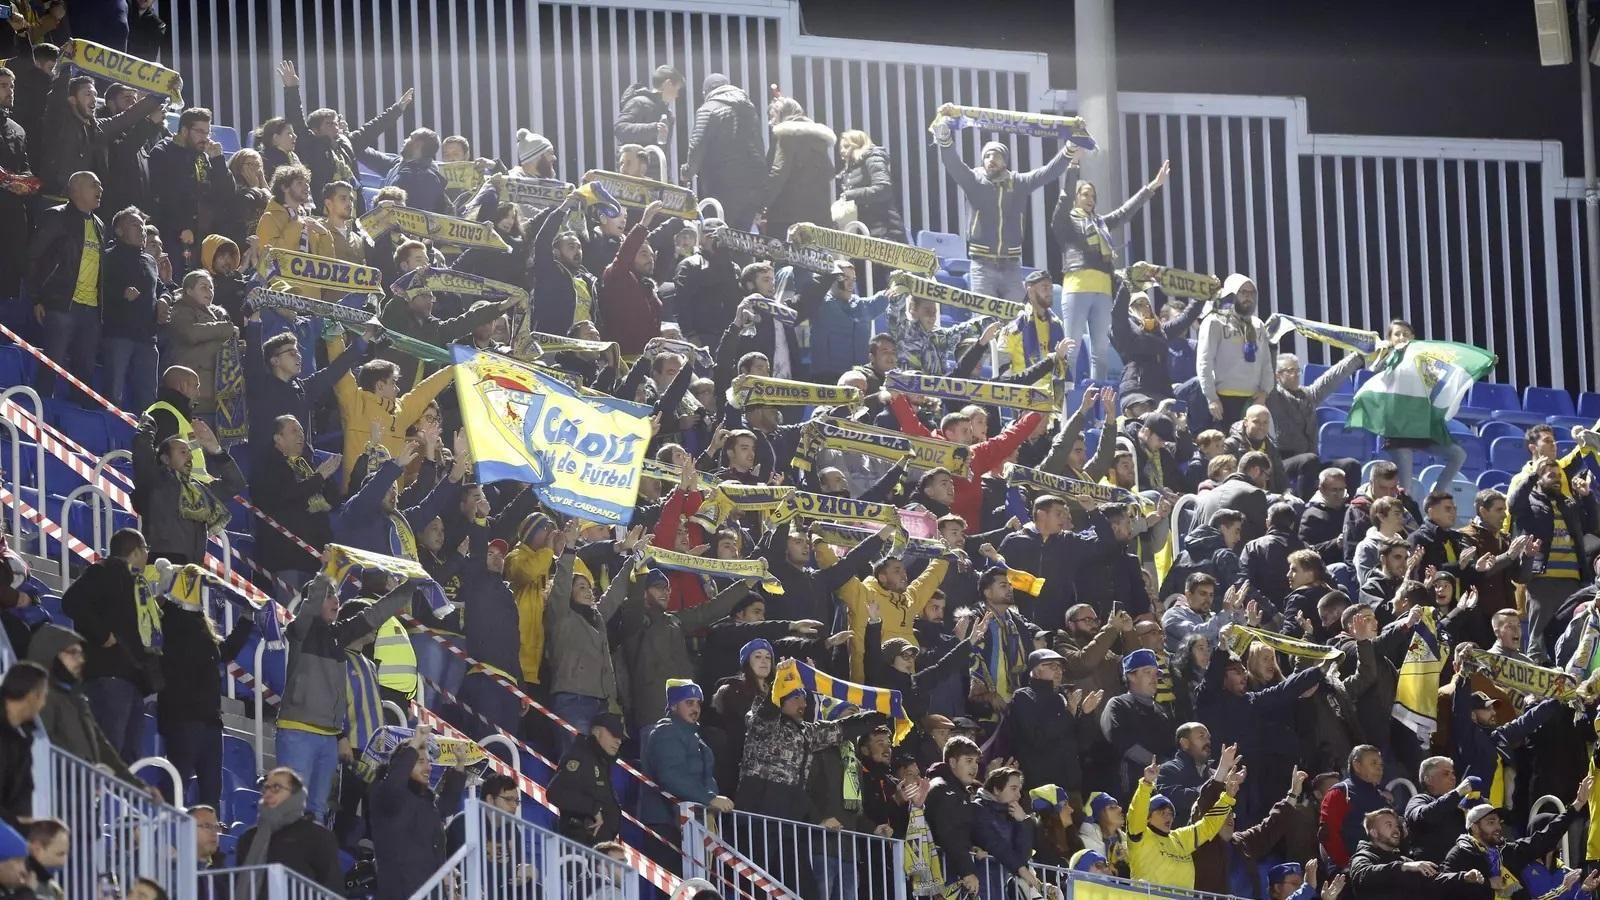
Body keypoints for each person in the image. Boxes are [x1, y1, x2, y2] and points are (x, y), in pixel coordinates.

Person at [275, 576, 417, 824]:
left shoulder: (338, 636)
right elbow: (310, 607)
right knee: (290, 810)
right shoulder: (301, 632)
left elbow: (376, 613)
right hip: (298, 732)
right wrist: (327, 572)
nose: (336, 600)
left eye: (336, 595)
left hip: (328, 738)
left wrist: (412, 584)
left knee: (318, 812)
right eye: (328, 595)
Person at [929, 112, 1073, 300]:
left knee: (1016, 315)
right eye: (987, 156)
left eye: (996, 155)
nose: (991, 159)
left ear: (1005, 161)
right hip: (981, 265)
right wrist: (944, 138)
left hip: (1012, 266)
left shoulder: (1019, 182)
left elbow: (1048, 172)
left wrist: (1069, 149)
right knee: (984, 315)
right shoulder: (974, 181)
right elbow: (953, 164)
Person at [1054, 154, 1170, 379]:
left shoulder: (1101, 224)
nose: (1090, 199)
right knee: (1072, 348)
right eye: (1085, 194)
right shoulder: (1065, 222)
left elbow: (1125, 212)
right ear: (1075, 198)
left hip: (1103, 292)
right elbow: (1064, 198)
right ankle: (1065, 393)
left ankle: (1098, 396)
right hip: (1077, 288)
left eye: (1093, 196)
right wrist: (1073, 166)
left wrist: (1152, 186)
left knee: (1100, 352)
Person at [57, 529, 161, 765]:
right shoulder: (102, 571)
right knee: (108, 752)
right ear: (135, 551)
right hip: (109, 676)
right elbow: (71, 601)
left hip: (133, 681)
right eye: (145, 549)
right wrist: (102, 635)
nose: (148, 555)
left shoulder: (137, 583)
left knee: (128, 758)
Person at [277, 59, 413, 211]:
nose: (335, 127)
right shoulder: (311, 144)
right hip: (324, 212)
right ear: (316, 130)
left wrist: (398, 109)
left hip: (353, 212)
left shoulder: (347, 143)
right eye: (329, 124)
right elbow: (296, 118)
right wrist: (292, 88)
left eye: (336, 123)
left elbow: (373, 128)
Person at [25, 625, 145, 789]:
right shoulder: (38, 699)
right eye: (72, 653)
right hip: (52, 795)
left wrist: (138, 787)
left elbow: (102, 749)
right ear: (50, 653)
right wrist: (87, 776)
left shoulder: (78, 700)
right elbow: (44, 749)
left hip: (80, 795)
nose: (80, 660)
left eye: (81, 654)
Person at [38, 43, 168, 195]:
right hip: (56, 200)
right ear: (72, 100)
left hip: (88, 203)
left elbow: (128, 117)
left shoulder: (99, 127)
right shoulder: (60, 122)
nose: (94, 99)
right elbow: (58, 97)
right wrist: (66, 63)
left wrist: (160, 94)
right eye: (88, 94)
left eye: (95, 94)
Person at [27, 171, 106, 400]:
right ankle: (40, 408)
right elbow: (34, 257)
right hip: (62, 303)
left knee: (85, 368)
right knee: (52, 363)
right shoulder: (56, 216)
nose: (100, 189)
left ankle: (78, 416)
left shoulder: (100, 225)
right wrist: (37, 298)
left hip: (91, 309)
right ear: (75, 190)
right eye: (94, 185)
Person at [1511, 457, 1598, 663]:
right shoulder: (1530, 502)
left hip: (1572, 580)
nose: (1557, 479)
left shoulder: (1569, 504)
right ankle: (1536, 670)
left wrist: (1587, 497)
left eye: (1559, 475)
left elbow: (1593, 525)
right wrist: (1532, 475)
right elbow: (1513, 505)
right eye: (1551, 475)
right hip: (1543, 578)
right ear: (1539, 478)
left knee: (1569, 631)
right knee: (1538, 637)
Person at [131, 415, 245, 565]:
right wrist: (147, 427)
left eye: (190, 452)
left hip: (191, 572)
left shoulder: (200, 491)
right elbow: (142, 452)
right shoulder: (155, 483)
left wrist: (216, 450)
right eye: (183, 452)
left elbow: (235, 484)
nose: (190, 457)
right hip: (161, 571)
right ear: (166, 459)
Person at [370, 725, 467, 900]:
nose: (428, 767)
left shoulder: (425, 800)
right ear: (404, 763)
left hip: (432, 891)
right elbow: (394, 782)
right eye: (421, 761)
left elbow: (446, 804)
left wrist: (459, 766)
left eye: (429, 762)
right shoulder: (386, 794)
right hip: (400, 892)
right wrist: (415, 743)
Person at [1127, 746, 1241, 890]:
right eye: (1161, 811)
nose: (1168, 815)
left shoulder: (1180, 838)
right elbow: (1136, 812)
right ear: (1147, 818)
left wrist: (1227, 798)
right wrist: (1146, 784)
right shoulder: (1139, 835)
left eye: (1170, 813)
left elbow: (1208, 826)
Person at [641, 680, 735, 838]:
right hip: (667, 822)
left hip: (693, 820)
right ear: (673, 706)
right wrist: (710, 799)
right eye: (689, 703)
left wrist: (711, 801)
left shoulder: (695, 738)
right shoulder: (666, 732)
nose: (695, 708)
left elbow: (705, 777)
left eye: (698, 704)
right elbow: (671, 775)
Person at [1269, 351, 1368, 497]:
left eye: (1297, 370)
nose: (1296, 374)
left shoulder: (1308, 395)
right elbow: (1268, 372)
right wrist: (1271, 346)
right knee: (1309, 459)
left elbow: (1332, 378)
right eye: (1290, 371)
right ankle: (1307, 505)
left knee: (1350, 464)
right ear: (1277, 375)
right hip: (1283, 463)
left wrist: (1358, 356)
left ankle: (1350, 506)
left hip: (1312, 462)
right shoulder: (1274, 397)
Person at [147, 107, 233, 273]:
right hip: (174, 236)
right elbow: (163, 197)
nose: (205, 138)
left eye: (207, 132)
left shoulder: (204, 155)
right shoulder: (163, 152)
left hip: (203, 236)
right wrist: (182, 226)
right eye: (200, 132)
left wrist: (218, 161)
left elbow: (227, 193)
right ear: (184, 130)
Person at [235, 767, 343, 890]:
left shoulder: (318, 836)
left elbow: (333, 887)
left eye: (276, 788)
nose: (268, 794)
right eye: (266, 788)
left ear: (296, 794)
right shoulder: (248, 838)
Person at [680, 74, 765, 229]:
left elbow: (697, 144)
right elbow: (758, 146)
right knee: (742, 236)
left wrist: (687, 172)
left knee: (717, 231)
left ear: (706, 92)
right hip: (750, 185)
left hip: (721, 183)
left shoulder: (708, 108)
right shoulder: (749, 109)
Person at [1346, 808, 1486, 898]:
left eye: (1396, 826)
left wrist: (1463, 877)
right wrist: (1402, 867)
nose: (1396, 830)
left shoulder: (1404, 860)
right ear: (1374, 833)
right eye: (1389, 825)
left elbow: (1433, 880)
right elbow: (1362, 877)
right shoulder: (1362, 857)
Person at [1196, 274, 1275, 428]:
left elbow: (1266, 362)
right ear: (1231, 294)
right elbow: (1204, 361)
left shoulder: (1258, 325)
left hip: (1252, 400)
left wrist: (1265, 392)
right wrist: (1211, 398)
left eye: (1252, 293)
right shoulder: (1214, 321)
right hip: (1223, 399)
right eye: (1243, 292)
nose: (1248, 297)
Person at [1102, 648, 1176, 797]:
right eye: (1147, 672)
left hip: (1160, 789)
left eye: (1156, 673)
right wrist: (1160, 765)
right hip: (1129, 789)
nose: (1154, 678)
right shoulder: (1118, 704)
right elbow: (1120, 741)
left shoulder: (1161, 711)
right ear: (1130, 676)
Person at [1111, 285, 1206, 402]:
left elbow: (1185, 319)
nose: (1146, 307)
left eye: (1147, 304)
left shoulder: (1160, 330)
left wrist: (1202, 294)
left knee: (1197, 386)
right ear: (1129, 309)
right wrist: (1127, 285)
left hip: (1162, 391)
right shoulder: (1124, 330)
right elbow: (1118, 313)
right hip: (1137, 391)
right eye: (1140, 304)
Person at [599, 199, 668, 355]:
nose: (650, 259)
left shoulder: (648, 286)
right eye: (644, 254)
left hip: (647, 359)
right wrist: (644, 223)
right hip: (623, 359)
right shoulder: (616, 275)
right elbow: (624, 255)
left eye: (652, 256)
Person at [548, 713, 628, 846]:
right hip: (579, 847)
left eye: (620, 737)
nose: (618, 741)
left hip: (595, 848)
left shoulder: (600, 760)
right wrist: (593, 808)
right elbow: (555, 793)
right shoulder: (580, 756)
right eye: (614, 734)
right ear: (596, 732)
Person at [763, 97, 836, 240]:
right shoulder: (818, 137)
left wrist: (762, 203)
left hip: (786, 214)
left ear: (782, 114)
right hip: (818, 213)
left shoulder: (786, 134)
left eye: (772, 116)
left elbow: (778, 171)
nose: (770, 122)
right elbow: (829, 171)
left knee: (783, 252)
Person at [1318, 745, 1390, 872]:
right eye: (1373, 763)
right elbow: (1328, 834)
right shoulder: (1340, 793)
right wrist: (1347, 865)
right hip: (1349, 870)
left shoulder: (1380, 797)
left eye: (1381, 764)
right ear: (1357, 765)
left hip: (1380, 867)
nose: (1379, 768)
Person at [614, 64, 682, 180]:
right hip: (634, 176)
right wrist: (653, 128)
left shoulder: (666, 113)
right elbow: (620, 128)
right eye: (676, 90)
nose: (677, 95)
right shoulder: (639, 103)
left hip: (655, 177)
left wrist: (667, 176)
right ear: (668, 84)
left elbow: (664, 150)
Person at [0, 662, 47, 828]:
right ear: (33, 695)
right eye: (43, 696)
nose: (43, 704)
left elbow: (23, 792)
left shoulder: (24, 740)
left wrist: (23, 825)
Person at [835, 130, 905, 241]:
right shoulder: (849, 170)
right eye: (841, 148)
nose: (842, 151)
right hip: (866, 231)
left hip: (884, 230)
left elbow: (883, 189)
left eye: (846, 146)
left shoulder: (873, 158)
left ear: (858, 145)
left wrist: (850, 195)